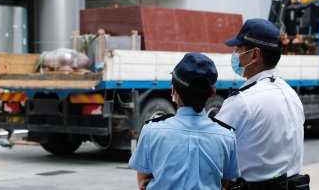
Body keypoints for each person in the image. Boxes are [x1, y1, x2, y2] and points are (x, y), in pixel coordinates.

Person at [215, 18, 309, 189]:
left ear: (254, 54)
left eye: (238, 50)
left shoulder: (242, 102)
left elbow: (212, 155)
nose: (235, 55)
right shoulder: (291, 95)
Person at [129, 52, 240, 189]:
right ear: (212, 93)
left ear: (173, 91)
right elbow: (224, 183)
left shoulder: (151, 131)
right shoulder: (227, 137)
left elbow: (143, 182)